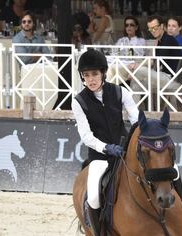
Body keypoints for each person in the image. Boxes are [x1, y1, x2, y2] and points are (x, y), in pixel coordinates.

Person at [72, 49, 139, 236]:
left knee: (165, 172)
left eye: (94, 74)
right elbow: (85, 135)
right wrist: (106, 148)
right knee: (93, 196)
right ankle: (98, 231)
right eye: (86, 75)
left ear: (103, 73)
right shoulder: (79, 101)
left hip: (125, 151)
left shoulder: (120, 92)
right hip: (100, 157)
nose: (91, 79)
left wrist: (137, 138)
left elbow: (136, 119)